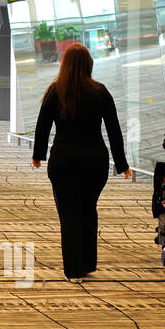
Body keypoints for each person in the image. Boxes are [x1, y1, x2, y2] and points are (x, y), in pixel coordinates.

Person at [32, 43, 130, 283]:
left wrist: (38, 154)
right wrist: (122, 163)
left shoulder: (55, 91)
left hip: (63, 160)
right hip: (94, 160)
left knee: (69, 214)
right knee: (88, 209)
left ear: (64, 65)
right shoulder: (100, 91)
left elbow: (42, 126)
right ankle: (87, 263)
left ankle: (74, 269)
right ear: (89, 64)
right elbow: (114, 130)